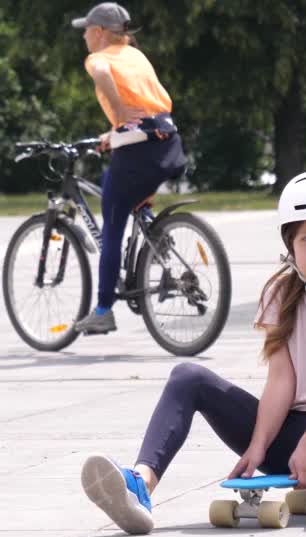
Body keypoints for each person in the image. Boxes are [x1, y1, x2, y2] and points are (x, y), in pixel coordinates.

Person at [79, 169, 306, 535]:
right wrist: (257, 446)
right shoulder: (279, 294)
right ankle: (140, 486)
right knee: (188, 376)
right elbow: (282, 379)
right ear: (291, 244)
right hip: (285, 439)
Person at [69, 2, 187, 336]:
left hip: (137, 149)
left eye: (87, 32)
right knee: (134, 196)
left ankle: (103, 309)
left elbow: (105, 77)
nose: (85, 39)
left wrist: (119, 116)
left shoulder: (99, 58)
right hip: (168, 142)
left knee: (112, 226)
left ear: (100, 32)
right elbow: (149, 107)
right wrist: (115, 132)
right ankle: (155, 238)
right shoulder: (135, 55)